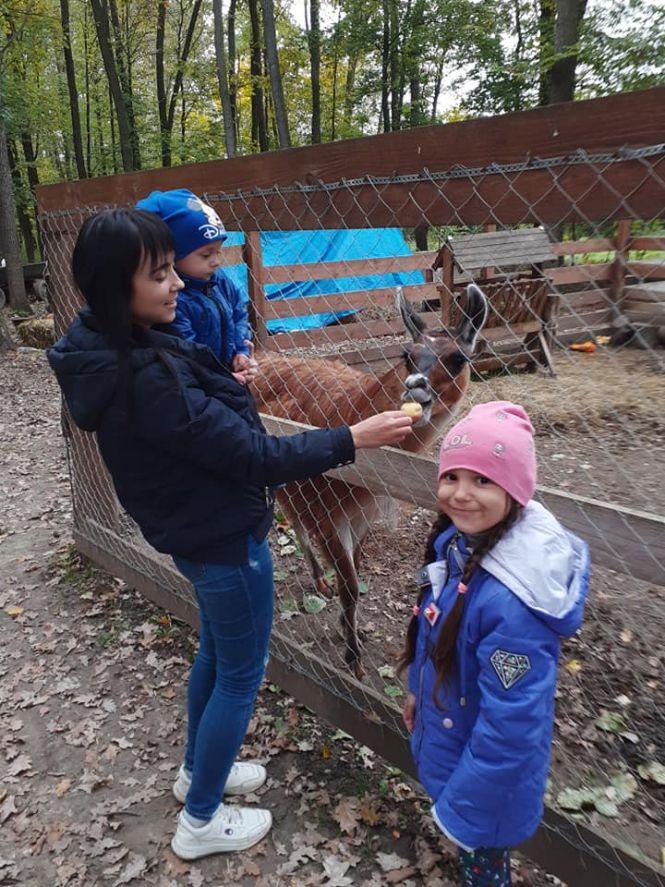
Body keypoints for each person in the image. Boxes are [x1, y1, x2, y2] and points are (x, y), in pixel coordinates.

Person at [47, 208, 414, 861]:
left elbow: (199, 416)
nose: (177, 285)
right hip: (222, 537)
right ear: (115, 287)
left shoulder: (116, 349)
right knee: (242, 670)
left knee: (216, 653)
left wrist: (232, 381)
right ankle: (201, 818)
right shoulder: (147, 377)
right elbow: (255, 457)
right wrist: (351, 438)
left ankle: (197, 772)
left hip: (190, 529)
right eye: (159, 274)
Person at [398, 402, 589, 887]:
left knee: (484, 864)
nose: (460, 495)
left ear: (516, 490)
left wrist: (468, 805)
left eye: (482, 480)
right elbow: (436, 633)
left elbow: (513, 727)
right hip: (454, 734)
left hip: (483, 778)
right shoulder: (459, 543)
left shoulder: (511, 605)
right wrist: (419, 690)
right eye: (452, 477)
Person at [135, 188, 258, 385]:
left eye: (218, 251)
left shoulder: (219, 280)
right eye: (206, 254)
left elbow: (238, 314)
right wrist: (223, 379)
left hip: (225, 374)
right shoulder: (171, 301)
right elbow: (187, 353)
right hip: (200, 383)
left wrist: (241, 353)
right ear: (173, 255)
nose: (216, 261)